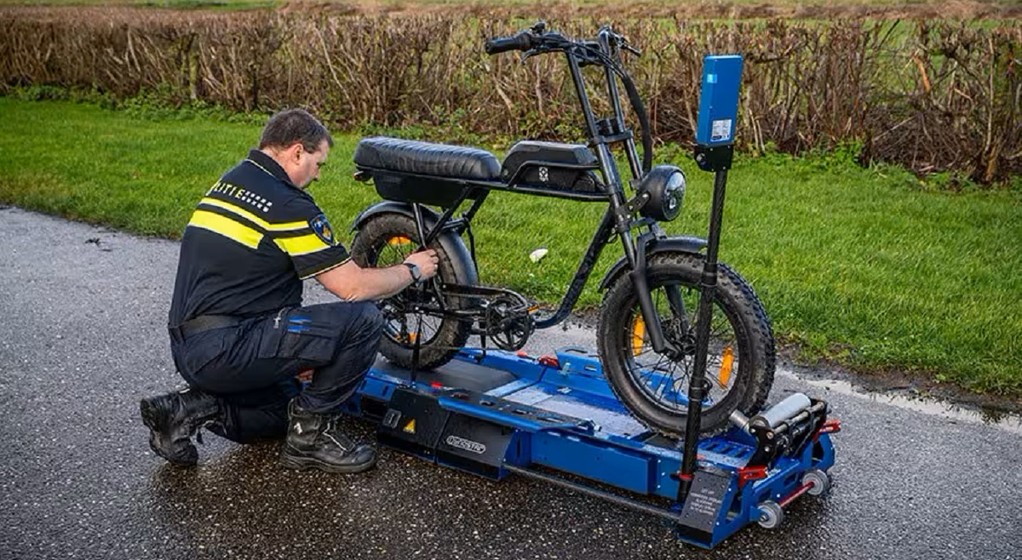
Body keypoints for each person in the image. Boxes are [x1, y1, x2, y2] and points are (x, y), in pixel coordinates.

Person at [140, 108, 438, 473]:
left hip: (192, 349)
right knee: (363, 319)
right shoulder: (286, 203)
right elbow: (353, 287)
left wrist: (295, 356)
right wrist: (412, 269)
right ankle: (310, 439)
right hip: (229, 345)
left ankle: (186, 410)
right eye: (318, 163)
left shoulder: (232, 182)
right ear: (297, 151)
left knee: (286, 407)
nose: (317, 175)